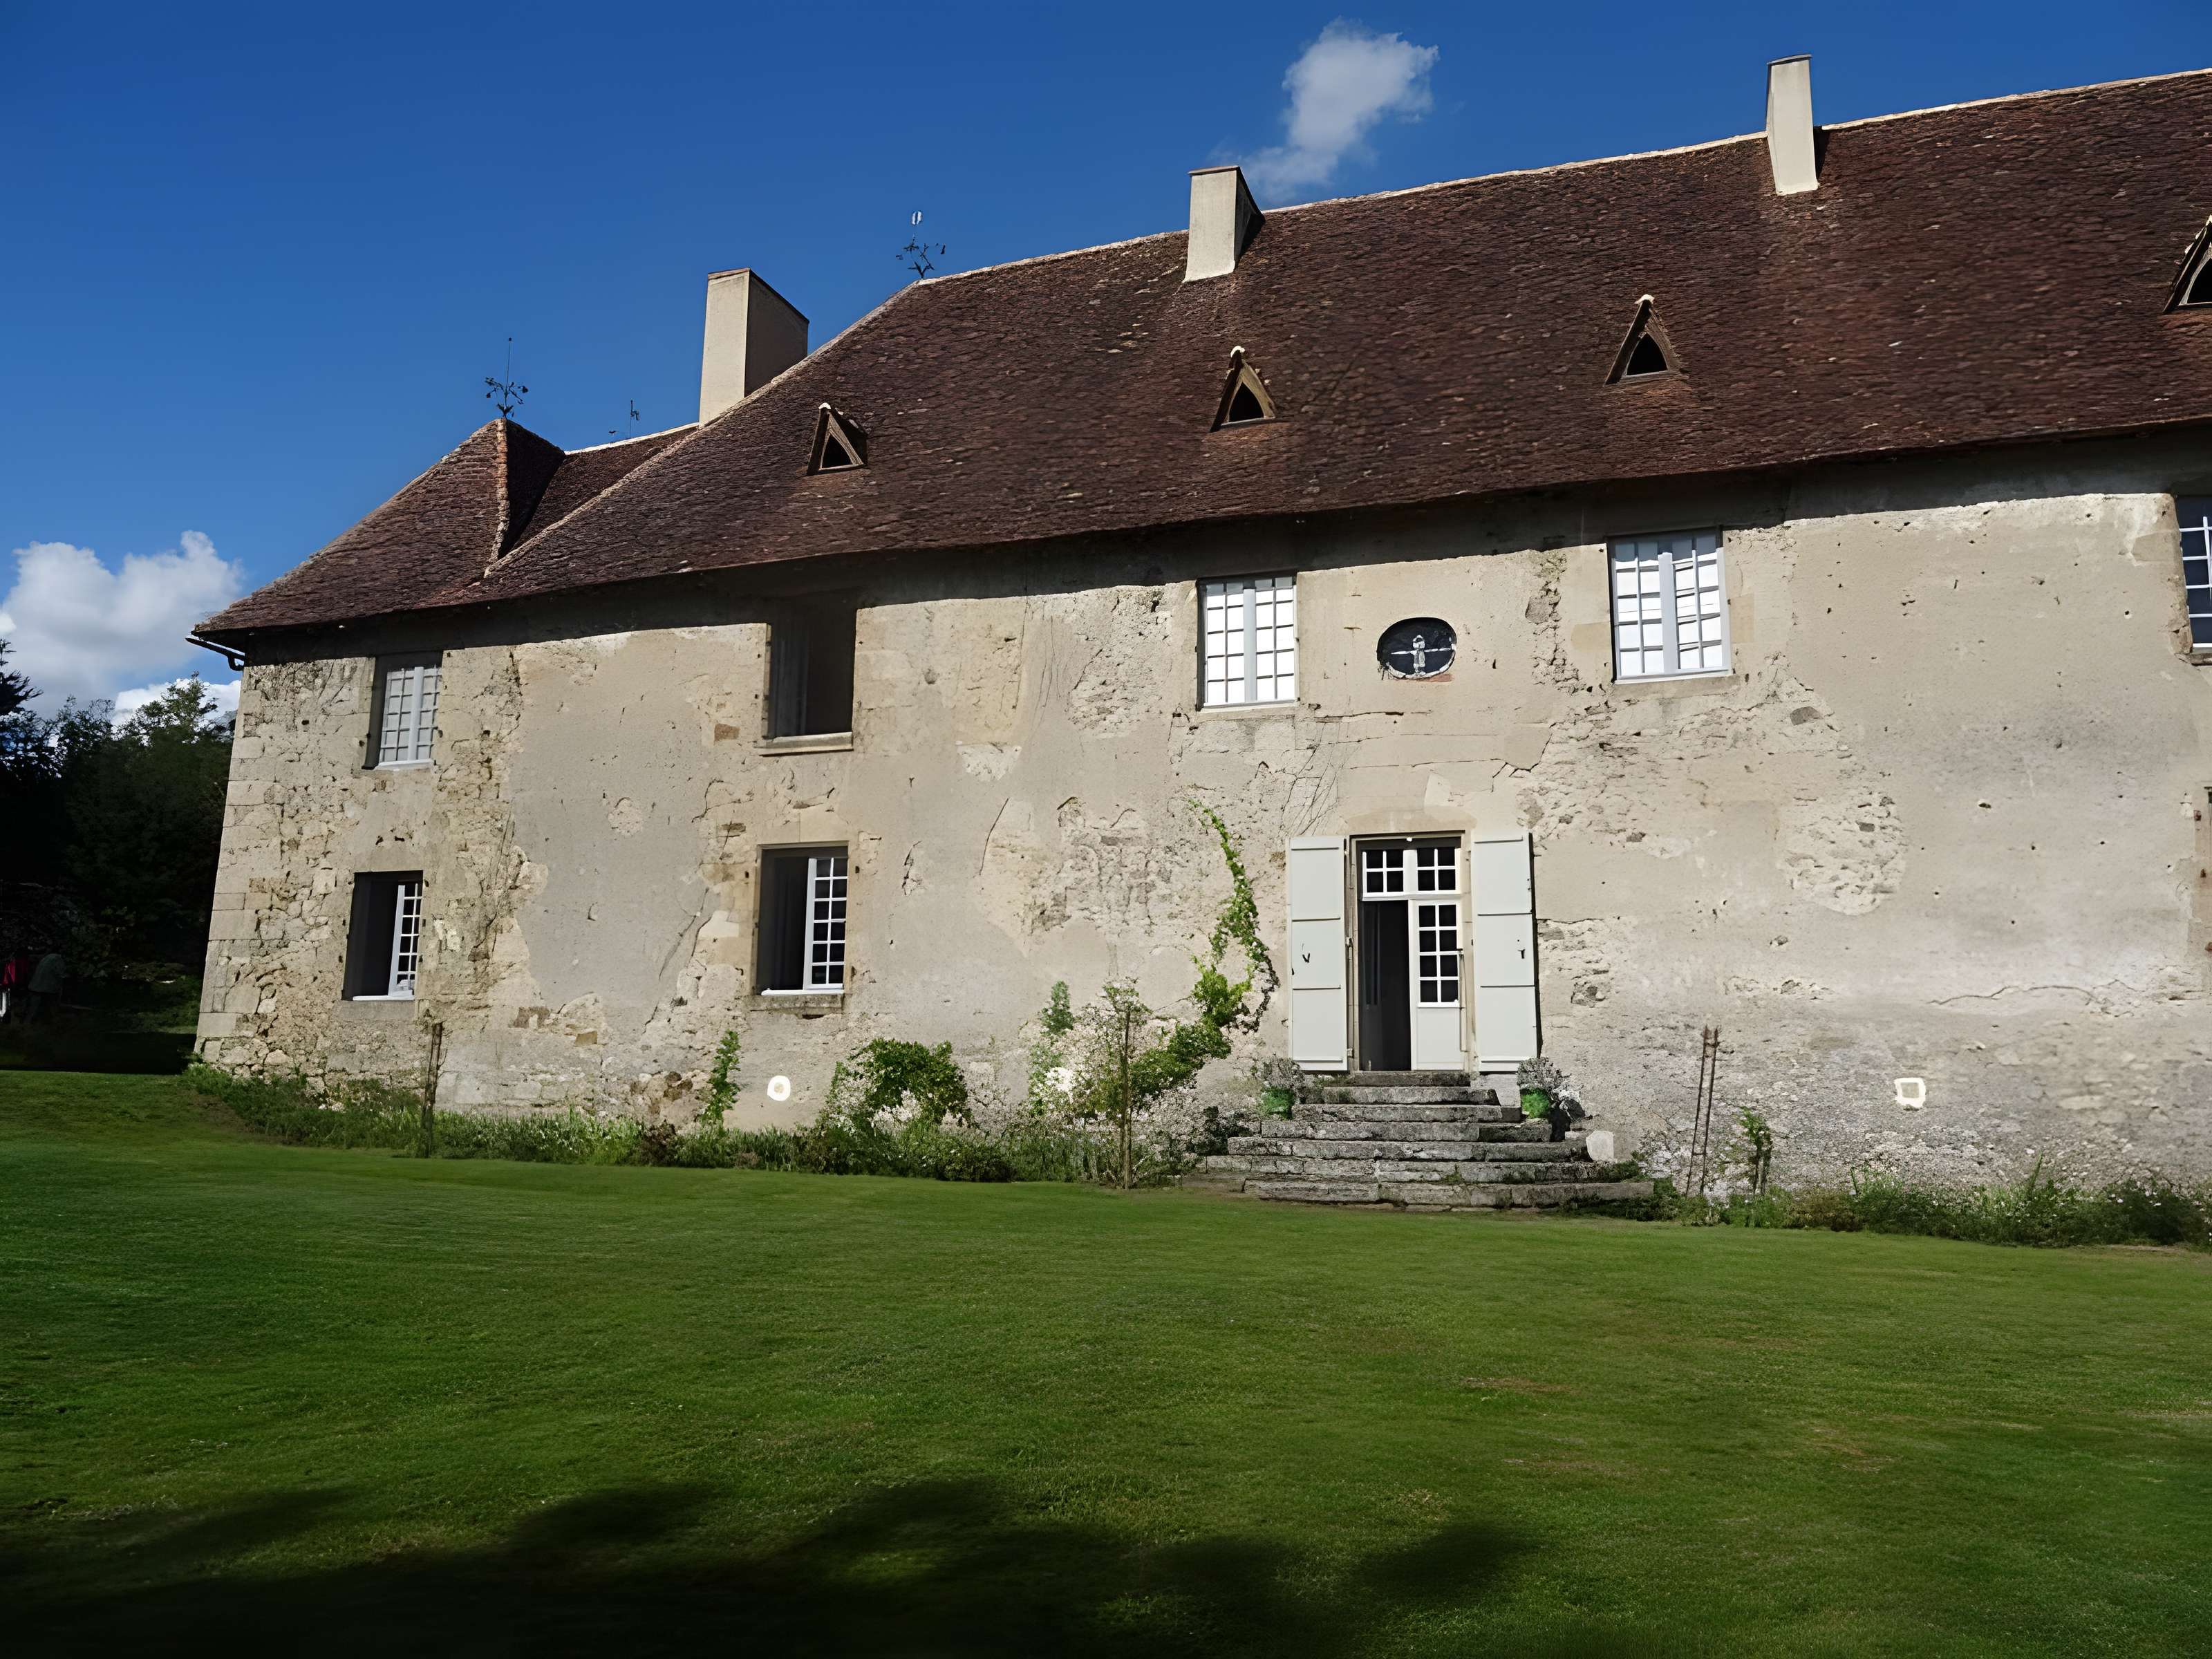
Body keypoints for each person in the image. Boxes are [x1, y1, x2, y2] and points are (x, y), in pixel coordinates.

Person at [26, 948, 64, 1023]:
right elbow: (59, 972)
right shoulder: (57, 958)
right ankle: (51, 1021)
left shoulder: (46, 958)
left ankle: (29, 1022)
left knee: (34, 1007)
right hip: (46, 987)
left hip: (36, 985)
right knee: (50, 1005)